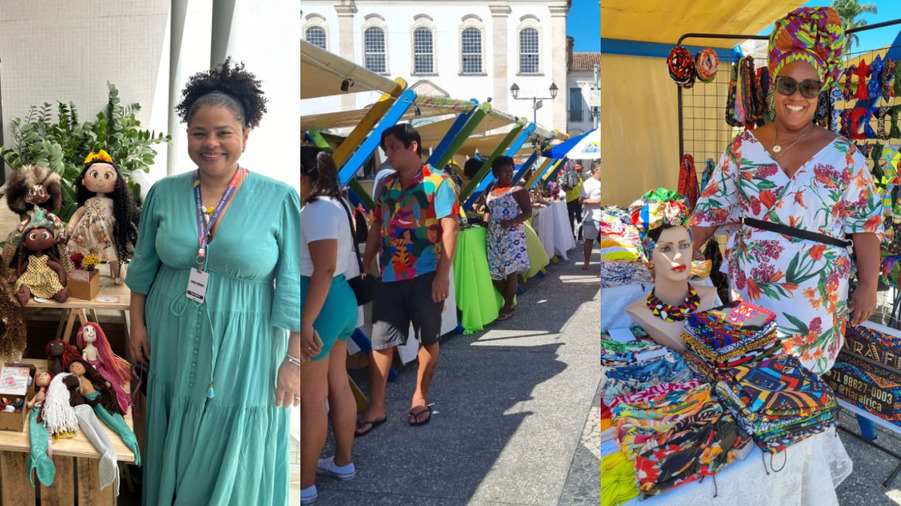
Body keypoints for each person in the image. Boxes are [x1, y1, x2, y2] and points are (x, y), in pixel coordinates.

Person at [125, 58, 300, 505]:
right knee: (177, 418)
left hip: (250, 340)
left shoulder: (279, 197)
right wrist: (138, 324)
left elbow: (292, 282)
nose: (211, 143)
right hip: (173, 329)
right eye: (199, 132)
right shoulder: (164, 193)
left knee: (235, 427)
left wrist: (294, 361)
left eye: (224, 131)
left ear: (245, 134)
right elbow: (143, 266)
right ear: (187, 136)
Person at [689, 7, 883, 376]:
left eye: (809, 87)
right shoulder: (743, 147)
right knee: (751, 375)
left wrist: (869, 286)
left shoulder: (844, 155)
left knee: (802, 387)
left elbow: (867, 225)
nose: (797, 96)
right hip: (750, 289)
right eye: (788, 84)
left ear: (819, 92)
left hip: (816, 298)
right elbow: (711, 211)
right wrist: (680, 250)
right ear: (774, 87)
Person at [357, 123, 459, 434]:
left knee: (428, 338)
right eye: (385, 148)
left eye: (392, 147)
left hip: (426, 274)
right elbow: (377, 224)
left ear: (412, 146)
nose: (387, 154)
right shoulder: (386, 185)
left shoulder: (438, 182)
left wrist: (443, 274)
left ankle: (419, 397)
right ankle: (377, 407)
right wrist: (366, 259)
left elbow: (450, 228)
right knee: (381, 340)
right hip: (389, 274)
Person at [299, 146, 359, 505]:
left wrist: (306, 321)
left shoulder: (316, 209)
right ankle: (343, 462)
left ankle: (304, 484)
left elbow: (322, 268)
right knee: (338, 385)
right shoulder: (337, 203)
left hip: (321, 302)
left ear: (307, 175)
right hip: (340, 300)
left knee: (312, 397)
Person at [484, 156, 531, 320]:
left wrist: (512, 221)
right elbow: (487, 209)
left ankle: (508, 306)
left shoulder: (518, 191)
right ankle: (509, 301)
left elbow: (528, 212)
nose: (508, 174)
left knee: (511, 272)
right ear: (496, 173)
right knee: (494, 273)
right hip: (493, 236)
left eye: (510, 171)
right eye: (504, 171)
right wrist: (485, 221)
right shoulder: (490, 188)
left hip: (512, 236)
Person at [579, 160, 602, 269]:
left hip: (605, 216)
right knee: (589, 240)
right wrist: (596, 201)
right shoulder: (588, 183)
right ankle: (586, 262)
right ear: (596, 170)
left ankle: (605, 263)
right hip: (592, 217)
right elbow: (581, 200)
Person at [559, 160, 583, 239]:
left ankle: (572, 235)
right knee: (579, 217)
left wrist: (565, 185)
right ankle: (580, 236)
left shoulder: (566, 176)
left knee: (571, 218)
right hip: (578, 199)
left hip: (570, 200)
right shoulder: (579, 178)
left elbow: (565, 189)